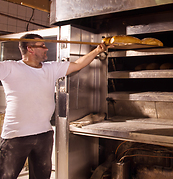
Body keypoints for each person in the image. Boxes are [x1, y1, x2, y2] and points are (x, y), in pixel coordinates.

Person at [0, 33, 109, 179]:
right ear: (30, 49)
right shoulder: (9, 67)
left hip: (43, 134)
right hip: (16, 135)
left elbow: (78, 65)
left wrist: (97, 50)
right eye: (42, 46)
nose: (46, 49)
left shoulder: (50, 68)